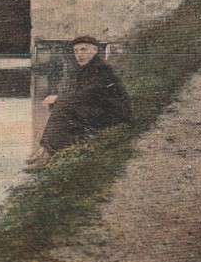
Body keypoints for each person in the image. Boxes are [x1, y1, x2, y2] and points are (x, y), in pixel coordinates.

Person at [26, 35, 131, 171]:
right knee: (61, 106)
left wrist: (58, 99)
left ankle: (48, 153)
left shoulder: (102, 69)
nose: (79, 55)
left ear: (94, 51)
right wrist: (59, 99)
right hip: (100, 109)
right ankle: (46, 150)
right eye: (76, 51)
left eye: (83, 50)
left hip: (113, 116)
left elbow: (88, 94)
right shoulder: (89, 68)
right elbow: (81, 94)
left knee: (62, 106)